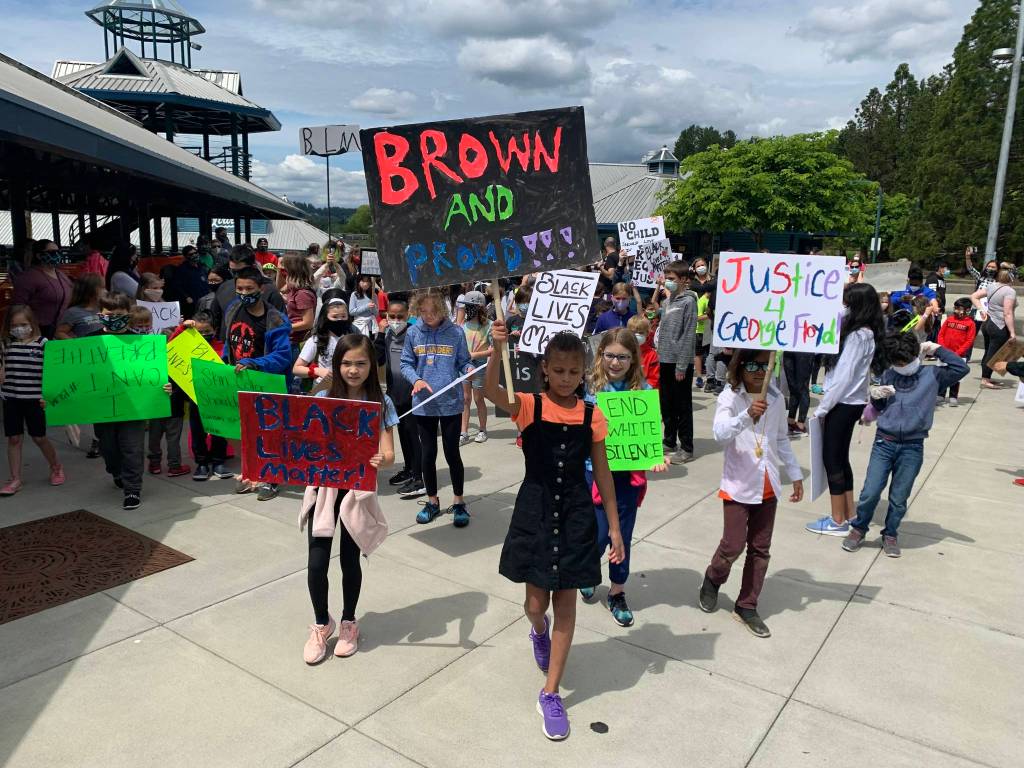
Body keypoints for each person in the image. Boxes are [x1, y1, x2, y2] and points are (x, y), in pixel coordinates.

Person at [482, 320, 624, 741]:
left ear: (584, 372)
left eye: (574, 372)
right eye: (558, 371)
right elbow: (491, 394)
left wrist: (614, 528)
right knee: (534, 602)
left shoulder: (593, 415)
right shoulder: (530, 406)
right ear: (545, 369)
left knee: (566, 601)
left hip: (578, 513)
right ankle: (537, 630)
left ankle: (551, 692)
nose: (566, 379)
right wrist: (496, 350)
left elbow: (603, 474)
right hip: (536, 512)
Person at [302, 334, 397, 664]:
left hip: (356, 493)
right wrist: (316, 389)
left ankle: (348, 622)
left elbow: (389, 452)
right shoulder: (326, 396)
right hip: (323, 490)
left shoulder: (381, 403)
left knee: (348, 561)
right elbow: (298, 426)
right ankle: (320, 623)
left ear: (372, 366)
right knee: (316, 562)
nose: (353, 370)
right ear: (335, 364)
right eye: (346, 363)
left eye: (360, 363)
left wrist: (381, 460)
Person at [699, 349, 804, 638]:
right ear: (739, 368)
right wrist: (747, 415)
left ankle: (747, 604)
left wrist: (794, 474)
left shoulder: (776, 398)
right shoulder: (731, 397)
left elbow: (781, 439)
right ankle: (713, 577)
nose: (759, 371)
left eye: (765, 364)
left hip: (768, 485)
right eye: (752, 365)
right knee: (733, 545)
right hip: (738, 484)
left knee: (760, 549)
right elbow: (719, 433)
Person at [843, 334, 969, 557]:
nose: (901, 367)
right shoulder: (889, 374)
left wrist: (937, 349)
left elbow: (961, 368)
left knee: (899, 497)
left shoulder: (933, 374)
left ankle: (890, 533)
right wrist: (876, 396)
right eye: (897, 363)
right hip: (884, 442)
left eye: (905, 362)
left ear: (915, 356)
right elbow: (879, 405)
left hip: (913, 446)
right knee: (870, 492)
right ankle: (859, 527)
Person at [581, 328, 668, 627]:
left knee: (623, 537)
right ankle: (589, 570)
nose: (615, 362)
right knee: (599, 534)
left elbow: (651, 431)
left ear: (634, 360)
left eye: (623, 357)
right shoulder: (590, 389)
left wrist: (656, 456)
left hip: (628, 478)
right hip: (594, 474)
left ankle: (617, 590)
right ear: (600, 354)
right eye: (610, 356)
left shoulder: (641, 391)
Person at [805, 283, 886, 536]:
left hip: (843, 403)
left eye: (848, 303)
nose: (844, 307)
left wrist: (822, 408)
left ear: (858, 306)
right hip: (851, 403)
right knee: (840, 458)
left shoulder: (857, 336)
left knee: (833, 461)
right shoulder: (866, 332)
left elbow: (843, 376)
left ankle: (837, 519)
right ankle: (849, 513)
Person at [400, 290, 473, 527]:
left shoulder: (456, 333)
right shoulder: (413, 332)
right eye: (424, 312)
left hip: (451, 403)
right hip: (423, 405)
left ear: (442, 310)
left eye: (433, 312)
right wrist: (416, 380)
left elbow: (464, 361)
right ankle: (432, 500)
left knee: (453, 453)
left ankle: (459, 502)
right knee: (428, 454)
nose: (428, 316)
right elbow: (405, 363)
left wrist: (468, 370)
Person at [94, 292, 172, 509]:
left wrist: (164, 386)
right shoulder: (90, 341)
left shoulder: (142, 342)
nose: (114, 318)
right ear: (101, 314)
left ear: (128, 315)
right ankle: (116, 471)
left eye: (119, 314)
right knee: (108, 448)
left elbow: (154, 373)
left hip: (133, 407)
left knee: (133, 448)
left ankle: (132, 490)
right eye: (109, 314)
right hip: (103, 407)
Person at [225, 266, 293, 500]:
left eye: (250, 288)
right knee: (247, 431)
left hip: (267, 384)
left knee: (270, 432)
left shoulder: (275, 319)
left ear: (261, 289)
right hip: (241, 382)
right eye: (240, 288)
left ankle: (270, 479)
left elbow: (283, 356)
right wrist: (225, 362)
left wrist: (255, 363)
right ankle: (250, 473)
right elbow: (229, 342)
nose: (244, 293)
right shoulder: (233, 309)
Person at [0, 305, 64, 495]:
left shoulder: (43, 344)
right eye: (14, 325)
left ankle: (55, 466)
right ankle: (15, 479)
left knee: (39, 437)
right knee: (14, 438)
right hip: (11, 397)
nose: (18, 328)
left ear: (32, 324)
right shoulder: (5, 343)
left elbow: (55, 372)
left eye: (23, 324)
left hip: (35, 399)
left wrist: (49, 396)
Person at [169, 311, 232, 482]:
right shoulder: (188, 345)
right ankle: (202, 463)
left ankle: (218, 461)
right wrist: (182, 328)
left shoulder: (221, 347)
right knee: (198, 432)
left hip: (219, 399)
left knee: (219, 431)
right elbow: (172, 345)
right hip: (195, 398)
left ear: (215, 329)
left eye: (207, 331)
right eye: (199, 332)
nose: (204, 335)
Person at [375, 298, 425, 499]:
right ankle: (409, 468)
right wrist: (379, 333)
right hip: (395, 392)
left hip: (412, 392)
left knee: (414, 435)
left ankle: (420, 477)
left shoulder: (414, 334)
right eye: (392, 316)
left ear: (408, 316)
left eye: (400, 316)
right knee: (403, 433)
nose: (395, 320)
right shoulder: (386, 334)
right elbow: (378, 359)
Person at [656, 260, 698, 463]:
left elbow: (688, 334)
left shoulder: (688, 301)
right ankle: (669, 440)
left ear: (683, 280)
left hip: (679, 362)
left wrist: (682, 365)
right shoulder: (667, 301)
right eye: (666, 278)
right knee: (667, 403)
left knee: (682, 405)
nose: (668, 282)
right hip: (664, 359)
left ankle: (687, 447)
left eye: (671, 279)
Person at [210, 244, 286, 339]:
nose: (237, 275)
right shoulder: (224, 287)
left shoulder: (269, 291)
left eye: (241, 270)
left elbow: (281, 327)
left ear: (253, 266)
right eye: (233, 271)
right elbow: (213, 319)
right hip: (228, 350)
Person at [12, 239, 74, 338]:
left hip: (61, 330)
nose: (57, 255)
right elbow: (18, 306)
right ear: (39, 255)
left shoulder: (61, 274)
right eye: (52, 252)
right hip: (38, 332)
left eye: (58, 252)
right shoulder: (28, 277)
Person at [293, 291, 352, 389]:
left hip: (347, 389)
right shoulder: (315, 340)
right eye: (335, 317)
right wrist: (317, 371)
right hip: (323, 389)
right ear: (325, 318)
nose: (340, 320)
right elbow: (296, 369)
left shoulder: (352, 339)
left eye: (343, 316)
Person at [972, 268, 1018, 389]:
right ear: (1011, 278)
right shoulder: (1009, 291)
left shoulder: (992, 286)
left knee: (988, 351)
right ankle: (985, 379)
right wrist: (1012, 332)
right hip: (999, 325)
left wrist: (981, 309)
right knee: (993, 354)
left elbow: (974, 296)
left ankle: (986, 377)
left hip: (987, 323)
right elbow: (1007, 313)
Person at [457, 290, 492, 446]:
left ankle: (482, 429)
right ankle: (463, 431)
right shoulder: (462, 325)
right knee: (465, 399)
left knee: (478, 398)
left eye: (469, 306)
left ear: (478, 307)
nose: (466, 309)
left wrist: (476, 355)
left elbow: (493, 349)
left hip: (480, 366)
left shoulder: (489, 325)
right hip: (464, 365)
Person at [279, 255, 317, 391]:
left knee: (290, 383)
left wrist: (283, 328)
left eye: (286, 271)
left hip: (295, 343)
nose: (284, 274)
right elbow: (278, 289)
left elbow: (308, 322)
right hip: (290, 340)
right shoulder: (294, 289)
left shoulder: (303, 294)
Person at [936, 298, 977, 407]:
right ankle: (940, 394)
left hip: (958, 355)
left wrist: (958, 353)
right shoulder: (949, 320)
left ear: (968, 310)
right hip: (944, 353)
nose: (957, 311)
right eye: (955, 308)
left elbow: (969, 340)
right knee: (942, 374)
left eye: (960, 309)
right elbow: (941, 334)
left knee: (955, 376)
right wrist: (943, 349)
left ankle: (953, 396)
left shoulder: (970, 323)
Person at [162, 245, 209, 320]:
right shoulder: (182, 270)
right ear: (186, 256)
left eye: (195, 253)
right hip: (192, 301)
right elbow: (177, 285)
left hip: (204, 298)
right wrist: (186, 297)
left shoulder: (202, 266)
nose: (194, 255)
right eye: (191, 254)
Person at [54, 274, 104, 340]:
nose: (105, 291)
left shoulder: (103, 308)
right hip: (86, 348)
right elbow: (59, 333)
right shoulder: (72, 312)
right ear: (90, 291)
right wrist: (76, 344)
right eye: (102, 288)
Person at [782, 351, 814, 436]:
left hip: (805, 350)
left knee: (803, 388)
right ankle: (790, 422)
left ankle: (800, 426)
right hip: (789, 348)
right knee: (792, 388)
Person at [626, 315, 659, 388]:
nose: (637, 335)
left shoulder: (652, 355)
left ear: (647, 333)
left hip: (645, 393)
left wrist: (643, 388)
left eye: (640, 333)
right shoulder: (624, 351)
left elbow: (654, 378)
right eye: (633, 332)